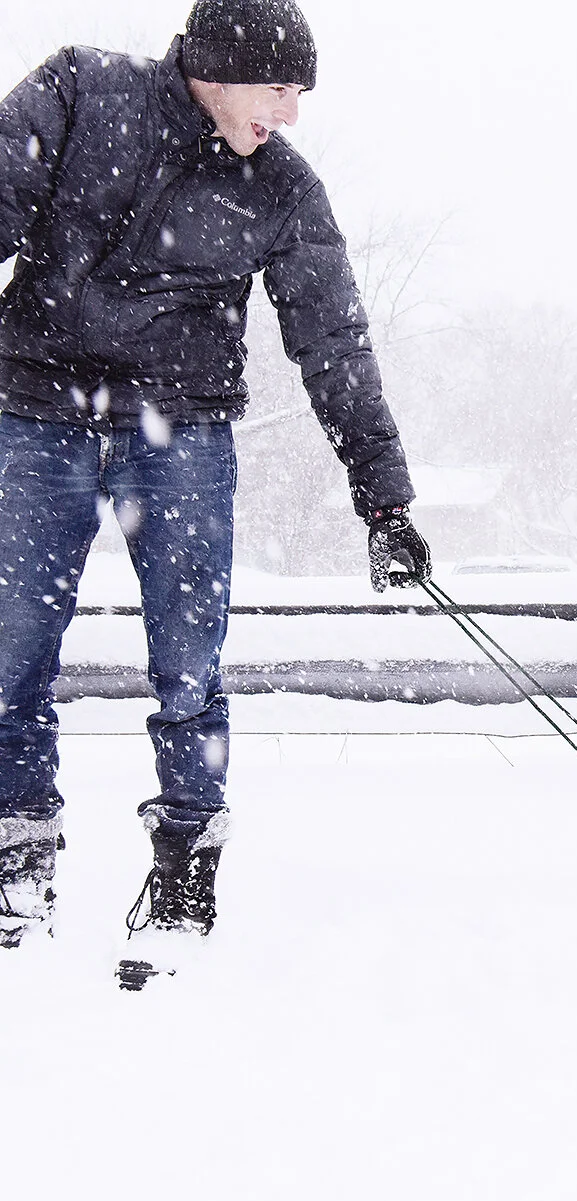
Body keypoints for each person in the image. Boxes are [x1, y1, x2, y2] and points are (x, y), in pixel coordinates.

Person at [0, 0, 432, 952]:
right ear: (223, 65)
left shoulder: (279, 186)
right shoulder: (83, 92)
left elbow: (333, 338)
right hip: (38, 412)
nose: (290, 112)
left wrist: (383, 494)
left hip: (181, 432)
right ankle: (18, 854)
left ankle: (187, 863)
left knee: (190, 664)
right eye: (281, 88)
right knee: (8, 655)